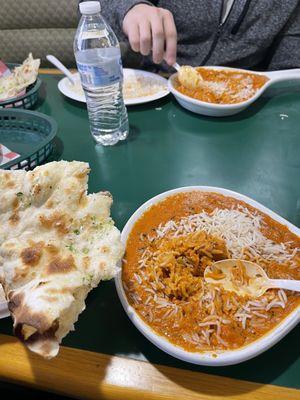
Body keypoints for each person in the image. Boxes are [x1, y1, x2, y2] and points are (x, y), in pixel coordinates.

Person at [98, 0, 300, 71]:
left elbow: (288, 68)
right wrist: (129, 8)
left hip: (243, 105)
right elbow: (92, 4)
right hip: (155, 85)